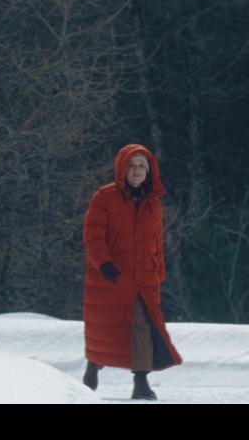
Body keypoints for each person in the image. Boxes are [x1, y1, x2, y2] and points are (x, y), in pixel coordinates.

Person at [82, 143, 182, 401]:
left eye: (141, 166)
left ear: (149, 172)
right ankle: (93, 365)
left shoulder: (154, 204)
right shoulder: (104, 197)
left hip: (144, 279)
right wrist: (104, 263)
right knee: (106, 327)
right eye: (132, 166)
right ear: (122, 168)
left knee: (142, 327)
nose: (136, 171)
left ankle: (141, 382)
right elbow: (93, 235)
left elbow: (157, 241)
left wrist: (158, 271)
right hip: (111, 275)